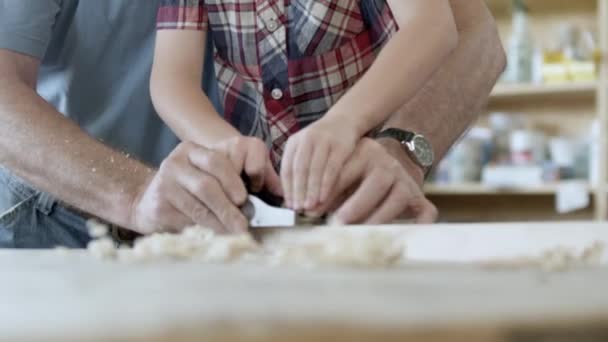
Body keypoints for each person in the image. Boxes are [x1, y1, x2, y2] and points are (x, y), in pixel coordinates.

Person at [0, 1, 505, 248]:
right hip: (63, 217)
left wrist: (397, 147)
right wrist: (135, 196)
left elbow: (467, 30)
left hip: (245, 217)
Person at [151, 0, 458, 216]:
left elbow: (431, 25)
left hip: (365, 184)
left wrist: (344, 121)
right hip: (257, 203)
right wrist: (224, 144)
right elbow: (172, 80)